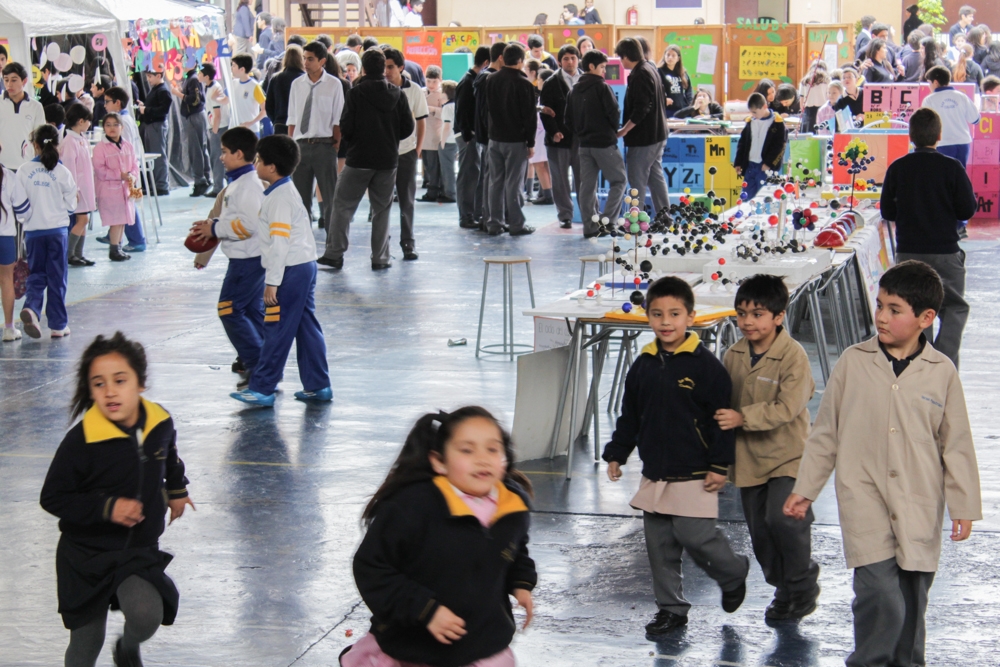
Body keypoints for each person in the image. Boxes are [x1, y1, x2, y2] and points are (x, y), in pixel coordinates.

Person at [785, 260, 981, 667]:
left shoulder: (941, 372)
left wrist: (963, 506)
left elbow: (956, 444)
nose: (882, 317)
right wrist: (806, 489)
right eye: (879, 305)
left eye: (895, 309)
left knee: (912, 596)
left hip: (919, 498)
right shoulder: (854, 363)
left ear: (926, 318)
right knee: (879, 593)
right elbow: (826, 434)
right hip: (864, 493)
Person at [603, 276, 750, 637]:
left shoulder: (706, 368)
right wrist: (617, 454)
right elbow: (630, 415)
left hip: (696, 471)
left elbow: (721, 420)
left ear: (690, 317)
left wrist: (719, 464)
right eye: (657, 314)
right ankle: (671, 610)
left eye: (674, 314)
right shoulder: (643, 365)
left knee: (697, 538)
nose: (665, 322)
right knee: (660, 548)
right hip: (656, 473)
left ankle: (732, 572)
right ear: (647, 316)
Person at [40, 332, 194, 667]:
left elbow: (168, 456)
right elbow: (52, 497)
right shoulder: (81, 441)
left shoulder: (160, 421)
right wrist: (107, 508)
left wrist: (177, 490)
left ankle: (127, 648)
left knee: (146, 614)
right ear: (89, 389)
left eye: (120, 380)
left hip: (136, 551)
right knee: (86, 642)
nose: (109, 390)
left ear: (140, 383)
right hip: (85, 556)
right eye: (98, 383)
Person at [343, 407, 536, 667]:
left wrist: (521, 581)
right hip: (416, 649)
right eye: (467, 450)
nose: (482, 458)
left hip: (481, 644)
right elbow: (372, 567)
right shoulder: (411, 507)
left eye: (492, 449)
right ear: (439, 461)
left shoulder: (512, 505)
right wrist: (426, 610)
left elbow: (514, 547)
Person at [715, 275, 819, 622]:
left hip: (789, 455)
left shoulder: (793, 357)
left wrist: (742, 417)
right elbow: (720, 402)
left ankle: (802, 584)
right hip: (749, 461)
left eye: (758, 314)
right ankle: (784, 587)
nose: (747, 321)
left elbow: (787, 408)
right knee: (760, 534)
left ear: (779, 317)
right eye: (742, 313)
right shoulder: (733, 355)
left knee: (784, 518)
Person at [231, 134, 331, 406]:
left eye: (260, 160)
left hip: (291, 270)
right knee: (306, 326)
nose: (256, 164)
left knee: (276, 327)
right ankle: (318, 384)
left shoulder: (278, 199)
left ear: (271, 167)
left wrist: (272, 282)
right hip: (304, 265)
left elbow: (279, 243)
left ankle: (262, 388)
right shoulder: (284, 191)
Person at [879, 108, 977, 367]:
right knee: (954, 307)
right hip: (945, 251)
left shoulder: (898, 168)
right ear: (939, 136)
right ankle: (943, 364)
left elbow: (887, 211)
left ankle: (917, 363)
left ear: (910, 136)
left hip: (908, 253)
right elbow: (968, 209)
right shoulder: (952, 168)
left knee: (913, 309)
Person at [318, 48, 414, 271]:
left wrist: (355, 142)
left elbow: (346, 126)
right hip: (387, 160)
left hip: (358, 159)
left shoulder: (356, 93)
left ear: (363, 68)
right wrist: (390, 139)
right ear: (383, 68)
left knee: (342, 205)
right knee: (382, 210)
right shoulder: (398, 94)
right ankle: (380, 258)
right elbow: (408, 128)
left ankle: (335, 253)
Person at [188, 127, 266, 391]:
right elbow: (238, 220)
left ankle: (257, 367)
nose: (221, 157)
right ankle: (266, 365)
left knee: (229, 310)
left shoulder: (248, 187)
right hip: (248, 260)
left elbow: (249, 225)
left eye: (224, 152)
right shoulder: (238, 185)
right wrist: (215, 222)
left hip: (247, 261)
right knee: (253, 312)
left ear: (239, 153)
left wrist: (215, 229)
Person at [16, 125, 77, 338]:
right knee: (57, 277)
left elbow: (19, 206)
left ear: (34, 145)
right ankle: (58, 325)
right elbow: (71, 206)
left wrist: (28, 218)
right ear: (57, 146)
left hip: (33, 232)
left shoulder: (23, 170)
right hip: (57, 231)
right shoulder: (63, 172)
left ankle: (31, 307)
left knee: (37, 274)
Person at [566, 49, 626, 237]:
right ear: (591, 66)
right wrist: (611, 131)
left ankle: (589, 226)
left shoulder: (574, 90)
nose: (604, 71)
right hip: (604, 144)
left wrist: (582, 132)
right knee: (619, 181)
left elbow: (568, 120)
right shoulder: (602, 87)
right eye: (602, 67)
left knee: (587, 187)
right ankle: (608, 221)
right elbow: (614, 113)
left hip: (583, 145)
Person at [287, 41, 344, 235]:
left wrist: (333, 148)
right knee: (300, 200)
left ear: (322, 61)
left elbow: (338, 119)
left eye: (310, 59)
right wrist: (291, 146)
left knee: (330, 198)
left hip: (324, 146)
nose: (306, 62)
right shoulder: (297, 84)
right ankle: (301, 241)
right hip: (301, 146)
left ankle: (332, 243)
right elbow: (292, 118)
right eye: (304, 58)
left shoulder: (334, 85)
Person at [484, 43, 537, 237]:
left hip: (494, 138)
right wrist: (530, 142)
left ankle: (494, 223)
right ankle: (516, 224)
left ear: (502, 59)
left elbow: (487, 108)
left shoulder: (491, 79)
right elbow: (529, 116)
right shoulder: (524, 84)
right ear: (521, 61)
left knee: (495, 182)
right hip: (515, 140)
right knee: (514, 183)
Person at [615, 38, 669, 216]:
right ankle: (665, 217)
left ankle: (635, 219)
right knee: (655, 177)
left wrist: (624, 130)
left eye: (620, 58)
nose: (621, 63)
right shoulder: (650, 69)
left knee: (636, 179)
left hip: (644, 138)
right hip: (657, 134)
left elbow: (641, 109)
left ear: (626, 56)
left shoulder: (640, 75)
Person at [384, 47, 427, 260]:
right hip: (382, 153)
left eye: (390, 66)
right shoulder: (377, 89)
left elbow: (421, 122)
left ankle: (408, 243)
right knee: (381, 201)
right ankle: (382, 244)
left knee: (407, 200)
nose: (386, 71)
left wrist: (417, 150)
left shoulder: (414, 90)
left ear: (401, 67)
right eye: (383, 66)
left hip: (407, 152)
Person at [100, 87, 148, 253]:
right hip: (128, 170)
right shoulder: (126, 118)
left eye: (107, 101)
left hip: (126, 171)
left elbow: (123, 147)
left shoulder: (122, 120)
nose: (104, 105)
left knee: (127, 205)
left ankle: (137, 240)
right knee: (125, 204)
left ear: (117, 103)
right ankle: (115, 234)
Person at [540, 45, 582, 230]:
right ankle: (565, 215)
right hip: (558, 138)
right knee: (560, 180)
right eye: (566, 58)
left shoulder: (586, 80)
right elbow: (545, 111)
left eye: (573, 58)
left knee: (585, 179)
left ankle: (590, 214)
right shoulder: (551, 82)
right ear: (559, 61)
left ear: (578, 59)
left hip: (582, 138)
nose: (570, 62)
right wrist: (553, 131)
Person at [93, 113, 141, 263]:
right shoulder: (100, 148)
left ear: (122, 127)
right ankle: (114, 249)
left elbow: (134, 164)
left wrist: (132, 175)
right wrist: (119, 175)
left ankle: (118, 247)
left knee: (122, 219)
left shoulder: (128, 146)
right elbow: (100, 170)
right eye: (108, 125)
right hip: (109, 190)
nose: (112, 128)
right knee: (115, 220)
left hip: (125, 189)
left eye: (115, 125)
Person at [472, 42, 506, 231]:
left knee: (489, 177)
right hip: (490, 135)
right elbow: (488, 111)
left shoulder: (482, 77)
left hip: (485, 135)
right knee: (490, 178)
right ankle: (489, 216)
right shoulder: (489, 79)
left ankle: (488, 216)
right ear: (501, 57)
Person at [921, 66, 980, 172]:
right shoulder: (962, 96)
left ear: (935, 82)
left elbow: (926, 124)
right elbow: (975, 119)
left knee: (943, 175)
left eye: (929, 83)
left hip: (943, 143)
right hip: (963, 142)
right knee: (960, 175)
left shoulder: (929, 100)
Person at [455, 46, 488, 230]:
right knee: (468, 175)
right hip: (468, 135)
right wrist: (467, 134)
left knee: (476, 174)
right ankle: (466, 215)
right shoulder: (468, 82)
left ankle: (475, 213)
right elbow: (461, 110)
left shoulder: (474, 80)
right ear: (485, 63)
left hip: (474, 135)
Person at [60, 104, 97, 268]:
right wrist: (73, 189)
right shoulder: (69, 141)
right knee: (82, 219)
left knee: (83, 220)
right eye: (88, 120)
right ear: (81, 121)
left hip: (85, 188)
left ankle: (78, 254)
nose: (90, 123)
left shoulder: (80, 138)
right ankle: (69, 253)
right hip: (78, 189)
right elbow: (69, 167)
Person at [0, 147, 29, 342]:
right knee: (6, 281)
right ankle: (9, 328)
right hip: (4, 237)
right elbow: (23, 210)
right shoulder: (9, 177)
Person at [734, 93, 786, 201]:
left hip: (765, 168)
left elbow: (780, 147)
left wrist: (769, 163)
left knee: (764, 200)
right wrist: (738, 162)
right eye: (751, 112)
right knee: (746, 199)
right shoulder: (750, 122)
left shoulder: (777, 123)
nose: (753, 115)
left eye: (755, 112)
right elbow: (742, 143)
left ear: (764, 107)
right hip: (750, 166)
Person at [170, 66, 213, 197]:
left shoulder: (193, 79)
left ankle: (200, 181)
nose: (182, 63)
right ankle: (205, 178)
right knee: (200, 149)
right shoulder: (190, 79)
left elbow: (195, 100)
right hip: (195, 116)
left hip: (195, 116)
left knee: (196, 150)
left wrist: (178, 94)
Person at [0, 63, 46, 170]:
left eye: (14, 80)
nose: (9, 84)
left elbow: (39, 137)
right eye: (6, 80)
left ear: (24, 81)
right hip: (2, 165)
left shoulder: (36, 107)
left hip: (27, 165)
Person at [137, 70, 171, 195]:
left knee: (158, 155)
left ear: (158, 76)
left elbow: (163, 110)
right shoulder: (156, 89)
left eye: (150, 77)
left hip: (157, 125)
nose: (148, 80)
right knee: (153, 155)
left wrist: (146, 109)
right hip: (151, 125)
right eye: (147, 77)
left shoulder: (163, 91)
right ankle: (155, 184)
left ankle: (161, 185)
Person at [419, 66, 448, 202]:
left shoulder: (442, 94)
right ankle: (432, 189)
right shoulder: (422, 92)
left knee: (434, 165)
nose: (431, 85)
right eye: (429, 81)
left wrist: (431, 109)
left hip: (436, 134)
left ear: (440, 81)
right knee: (428, 165)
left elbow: (446, 112)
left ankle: (435, 191)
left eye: (434, 82)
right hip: (424, 134)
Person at [265, 44, 305, 137]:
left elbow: (269, 105)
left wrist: (275, 120)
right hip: (300, 124)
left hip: (280, 123)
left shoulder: (276, 78)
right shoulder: (304, 79)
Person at [204, 66, 231, 198]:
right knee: (216, 156)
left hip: (218, 127)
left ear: (207, 76)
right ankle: (219, 184)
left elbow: (217, 112)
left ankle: (218, 187)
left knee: (216, 157)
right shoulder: (210, 87)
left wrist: (214, 130)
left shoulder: (215, 89)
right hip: (215, 126)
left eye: (200, 73)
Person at [437, 80, 458, 204]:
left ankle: (450, 193)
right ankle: (453, 191)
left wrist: (442, 141)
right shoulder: (457, 104)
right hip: (457, 139)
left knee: (447, 167)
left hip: (448, 140)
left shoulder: (447, 107)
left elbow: (446, 126)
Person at [658, 45, 693, 118]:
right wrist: (663, 99)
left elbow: (688, 90)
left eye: (673, 55)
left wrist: (689, 104)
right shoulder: (659, 71)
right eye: (668, 55)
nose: (670, 57)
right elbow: (656, 89)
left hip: (681, 110)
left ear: (678, 58)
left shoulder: (683, 73)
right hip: (666, 110)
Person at [798, 64, 829, 132]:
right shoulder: (827, 80)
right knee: (822, 135)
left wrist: (802, 112)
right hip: (823, 109)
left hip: (808, 111)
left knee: (807, 136)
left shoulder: (804, 81)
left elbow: (802, 98)